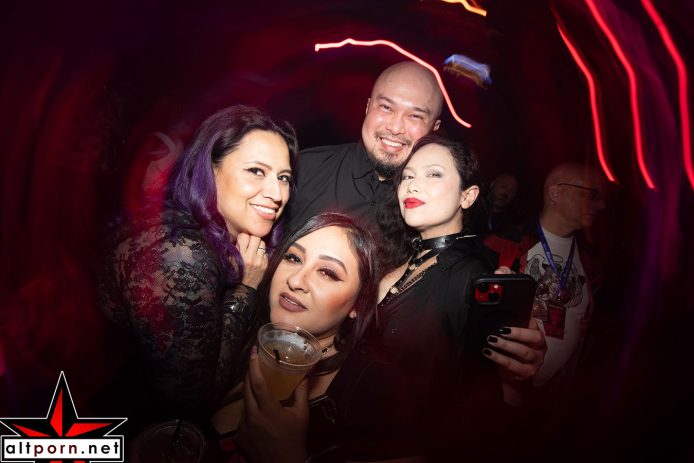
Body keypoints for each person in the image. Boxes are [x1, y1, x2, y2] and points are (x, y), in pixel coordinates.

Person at [287, 60, 545, 402]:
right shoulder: (304, 170)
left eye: (414, 115)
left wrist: (510, 369)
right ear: (368, 106)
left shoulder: (430, 225)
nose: (395, 127)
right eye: (386, 107)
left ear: (434, 128)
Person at [98, 105, 298, 431]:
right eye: (256, 171)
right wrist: (245, 290)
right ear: (211, 170)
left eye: (283, 178)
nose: (277, 194)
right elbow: (192, 402)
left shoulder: (216, 237)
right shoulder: (181, 254)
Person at [374, 133, 544, 458]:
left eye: (433, 174)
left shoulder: (473, 276)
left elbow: (485, 394)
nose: (412, 185)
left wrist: (513, 375)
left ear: (467, 197)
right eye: (407, 176)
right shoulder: (398, 253)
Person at [229, 212, 421, 462]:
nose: (296, 280)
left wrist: (287, 457)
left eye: (328, 273)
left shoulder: (379, 388)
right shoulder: (241, 333)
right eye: (293, 258)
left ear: (358, 304)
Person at [484, 162, 608, 402]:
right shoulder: (502, 246)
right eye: (592, 195)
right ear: (556, 193)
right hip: (499, 398)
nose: (601, 205)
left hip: (555, 400)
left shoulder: (592, 261)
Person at [467, 172, 523, 237]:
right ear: (492, 184)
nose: (506, 193)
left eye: (512, 191)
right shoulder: (472, 206)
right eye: (503, 186)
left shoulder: (511, 221)